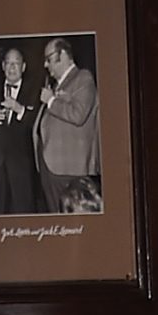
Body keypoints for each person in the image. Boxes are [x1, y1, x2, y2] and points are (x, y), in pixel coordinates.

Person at [34, 37, 101, 210]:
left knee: (69, 218)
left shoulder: (83, 77)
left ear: (62, 54)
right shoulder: (58, 84)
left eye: (48, 59)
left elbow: (78, 115)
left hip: (68, 168)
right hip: (51, 166)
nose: (45, 65)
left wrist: (51, 101)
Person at [0, 45, 38, 215]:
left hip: (22, 165)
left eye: (16, 63)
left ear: (23, 67)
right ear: (3, 66)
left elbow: (38, 124)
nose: (12, 68)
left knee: (23, 211)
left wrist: (19, 109)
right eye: (8, 63)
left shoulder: (34, 88)